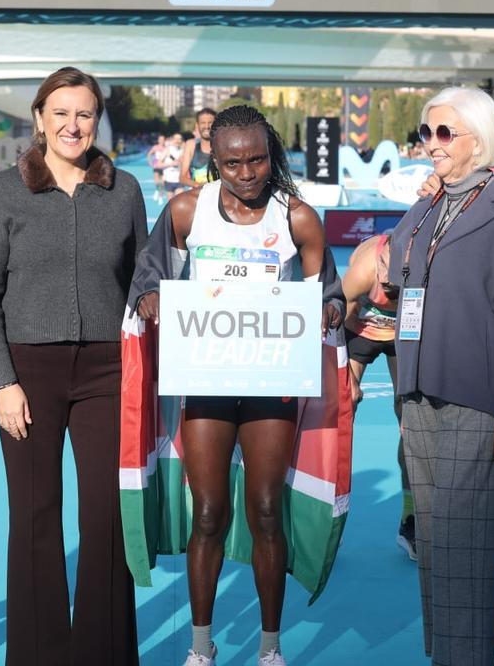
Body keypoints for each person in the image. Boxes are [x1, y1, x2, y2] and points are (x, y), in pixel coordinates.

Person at [132, 105, 343, 666]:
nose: (246, 173)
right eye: (232, 163)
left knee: (267, 510)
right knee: (208, 512)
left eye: (257, 159)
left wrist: (333, 309)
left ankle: (270, 647)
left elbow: (328, 289)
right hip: (205, 378)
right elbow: (147, 274)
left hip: (272, 379)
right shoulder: (184, 211)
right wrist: (149, 296)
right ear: (211, 157)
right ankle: (201, 647)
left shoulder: (297, 218)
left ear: (271, 153)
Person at [0, 67, 148, 666]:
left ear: (97, 121)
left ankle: (104, 655)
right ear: (40, 118)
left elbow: (141, 286)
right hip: (28, 374)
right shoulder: (4, 191)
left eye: (86, 114)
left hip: (106, 371)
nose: (74, 125)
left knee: (106, 518)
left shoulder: (123, 191)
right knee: (35, 515)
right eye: (62, 113)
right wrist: (3, 382)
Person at [389, 86, 494, 666]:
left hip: (475, 403)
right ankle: (449, 658)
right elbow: (397, 266)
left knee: (467, 549)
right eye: (426, 132)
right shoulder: (436, 205)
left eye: (443, 133)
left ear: (479, 140)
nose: (429, 144)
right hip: (418, 395)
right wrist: (425, 198)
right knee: (436, 548)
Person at [341, 232, 412, 558]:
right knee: (339, 412)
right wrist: (344, 378)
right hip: (357, 331)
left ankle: (411, 519)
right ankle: (329, 513)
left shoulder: (430, 270)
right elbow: (330, 326)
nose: (387, 283)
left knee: (411, 423)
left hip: (404, 335)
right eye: (385, 275)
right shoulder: (363, 272)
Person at [180, 107, 217, 187]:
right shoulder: (191, 145)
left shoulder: (223, 145)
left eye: (210, 122)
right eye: (203, 123)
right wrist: (202, 187)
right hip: (198, 196)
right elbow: (182, 178)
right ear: (197, 125)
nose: (207, 126)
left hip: (220, 196)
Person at [148, 133, 168, 201]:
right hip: (156, 165)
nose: (161, 141)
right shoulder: (155, 147)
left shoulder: (167, 148)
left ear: (165, 140)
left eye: (163, 139)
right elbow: (149, 154)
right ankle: (158, 191)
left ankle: (160, 193)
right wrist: (150, 162)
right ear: (158, 140)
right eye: (160, 139)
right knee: (156, 180)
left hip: (164, 166)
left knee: (162, 181)